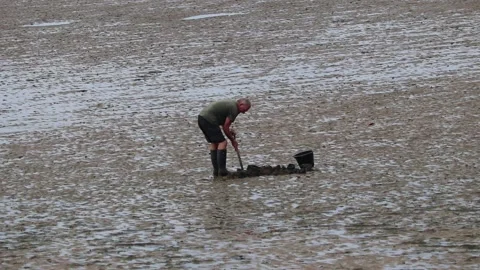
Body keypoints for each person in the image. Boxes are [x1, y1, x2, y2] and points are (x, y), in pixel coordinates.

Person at [198, 98, 251, 177]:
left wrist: (229, 132)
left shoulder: (231, 104)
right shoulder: (234, 109)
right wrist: (233, 141)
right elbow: (225, 127)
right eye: (245, 109)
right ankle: (222, 171)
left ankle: (216, 171)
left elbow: (224, 123)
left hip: (201, 118)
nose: (244, 112)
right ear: (241, 104)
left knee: (214, 143)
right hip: (209, 120)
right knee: (223, 142)